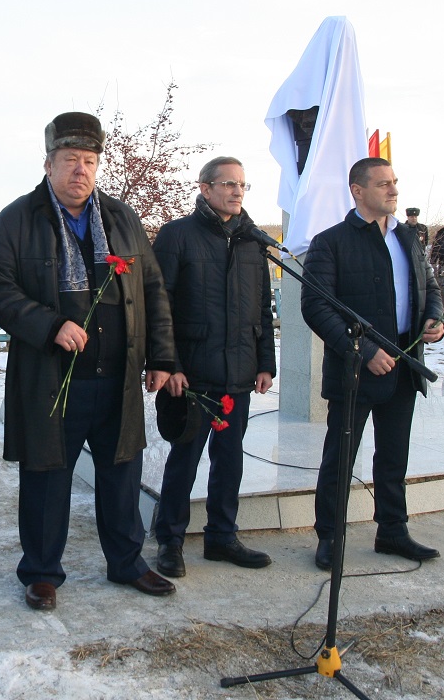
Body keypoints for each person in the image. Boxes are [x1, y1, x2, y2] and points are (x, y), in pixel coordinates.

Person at [0, 111, 176, 612]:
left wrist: (161, 356)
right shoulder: (16, 220)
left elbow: (152, 289)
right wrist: (50, 325)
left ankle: (126, 561)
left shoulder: (121, 218)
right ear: (48, 164)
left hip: (117, 377)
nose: (80, 170)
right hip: (52, 378)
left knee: (121, 472)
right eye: (70, 159)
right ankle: (42, 572)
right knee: (47, 478)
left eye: (89, 160)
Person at [300, 157, 444, 571]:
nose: (393, 190)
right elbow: (316, 307)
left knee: (394, 456)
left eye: (394, 182)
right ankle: (330, 537)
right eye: (383, 184)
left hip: (404, 365)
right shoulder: (330, 242)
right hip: (356, 370)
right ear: (358, 191)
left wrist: (435, 319)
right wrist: (363, 351)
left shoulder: (408, 238)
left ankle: (393, 531)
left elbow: (430, 287)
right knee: (340, 459)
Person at [152, 157, 277, 579]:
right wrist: (169, 364)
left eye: (242, 184)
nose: (237, 191)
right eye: (228, 183)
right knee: (184, 460)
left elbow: (262, 307)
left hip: (238, 373)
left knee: (230, 460)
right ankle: (170, 539)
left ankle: (222, 536)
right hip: (193, 375)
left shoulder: (251, 241)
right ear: (205, 189)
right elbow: (160, 305)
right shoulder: (178, 236)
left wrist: (265, 362)